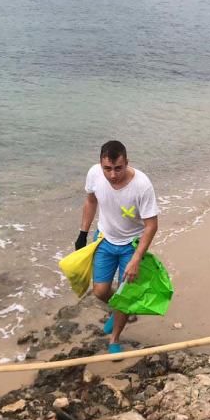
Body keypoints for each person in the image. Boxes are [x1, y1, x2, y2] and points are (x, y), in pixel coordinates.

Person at [75, 140, 159, 354]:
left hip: (131, 244)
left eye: (118, 168)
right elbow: (91, 201)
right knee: (100, 291)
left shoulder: (142, 185)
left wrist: (137, 259)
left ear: (126, 162)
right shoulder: (94, 174)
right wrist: (83, 234)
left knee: (124, 294)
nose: (113, 175)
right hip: (104, 238)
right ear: (100, 165)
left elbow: (151, 225)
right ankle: (118, 311)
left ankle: (114, 339)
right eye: (108, 169)